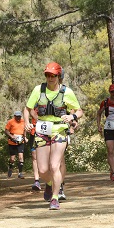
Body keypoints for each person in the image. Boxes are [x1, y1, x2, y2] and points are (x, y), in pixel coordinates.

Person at [24, 62, 83, 210]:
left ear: (58, 76)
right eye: (47, 75)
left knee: (54, 165)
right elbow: (28, 108)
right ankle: (49, 184)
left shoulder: (66, 92)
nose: (50, 78)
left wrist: (72, 117)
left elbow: (79, 111)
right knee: (43, 169)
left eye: (53, 76)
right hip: (42, 130)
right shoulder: (39, 90)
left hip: (59, 130)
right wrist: (27, 122)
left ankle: (55, 198)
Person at [97, 83, 114, 181]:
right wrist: (99, 125)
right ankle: (113, 173)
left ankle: (113, 168)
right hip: (109, 127)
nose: (113, 93)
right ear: (109, 92)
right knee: (110, 150)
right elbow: (99, 113)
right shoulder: (105, 102)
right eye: (112, 91)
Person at [5, 111, 27, 179]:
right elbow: (6, 130)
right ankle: (10, 168)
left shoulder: (23, 122)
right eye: (17, 116)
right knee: (12, 158)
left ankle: (20, 173)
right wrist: (11, 136)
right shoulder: (11, 122)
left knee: (21, 156)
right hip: (12, 142)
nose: (18, 118)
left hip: (20, 141)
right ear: (14, 116)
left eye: (19, 116)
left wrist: (25, 137)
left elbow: (25, 130)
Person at [28, 110, 41, 190]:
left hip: (49, 132)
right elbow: (27, 109)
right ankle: (36, 181)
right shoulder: (34, 100)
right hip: (34, 133)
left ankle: (52, 180)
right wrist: (26, 122)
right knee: (34, 157)